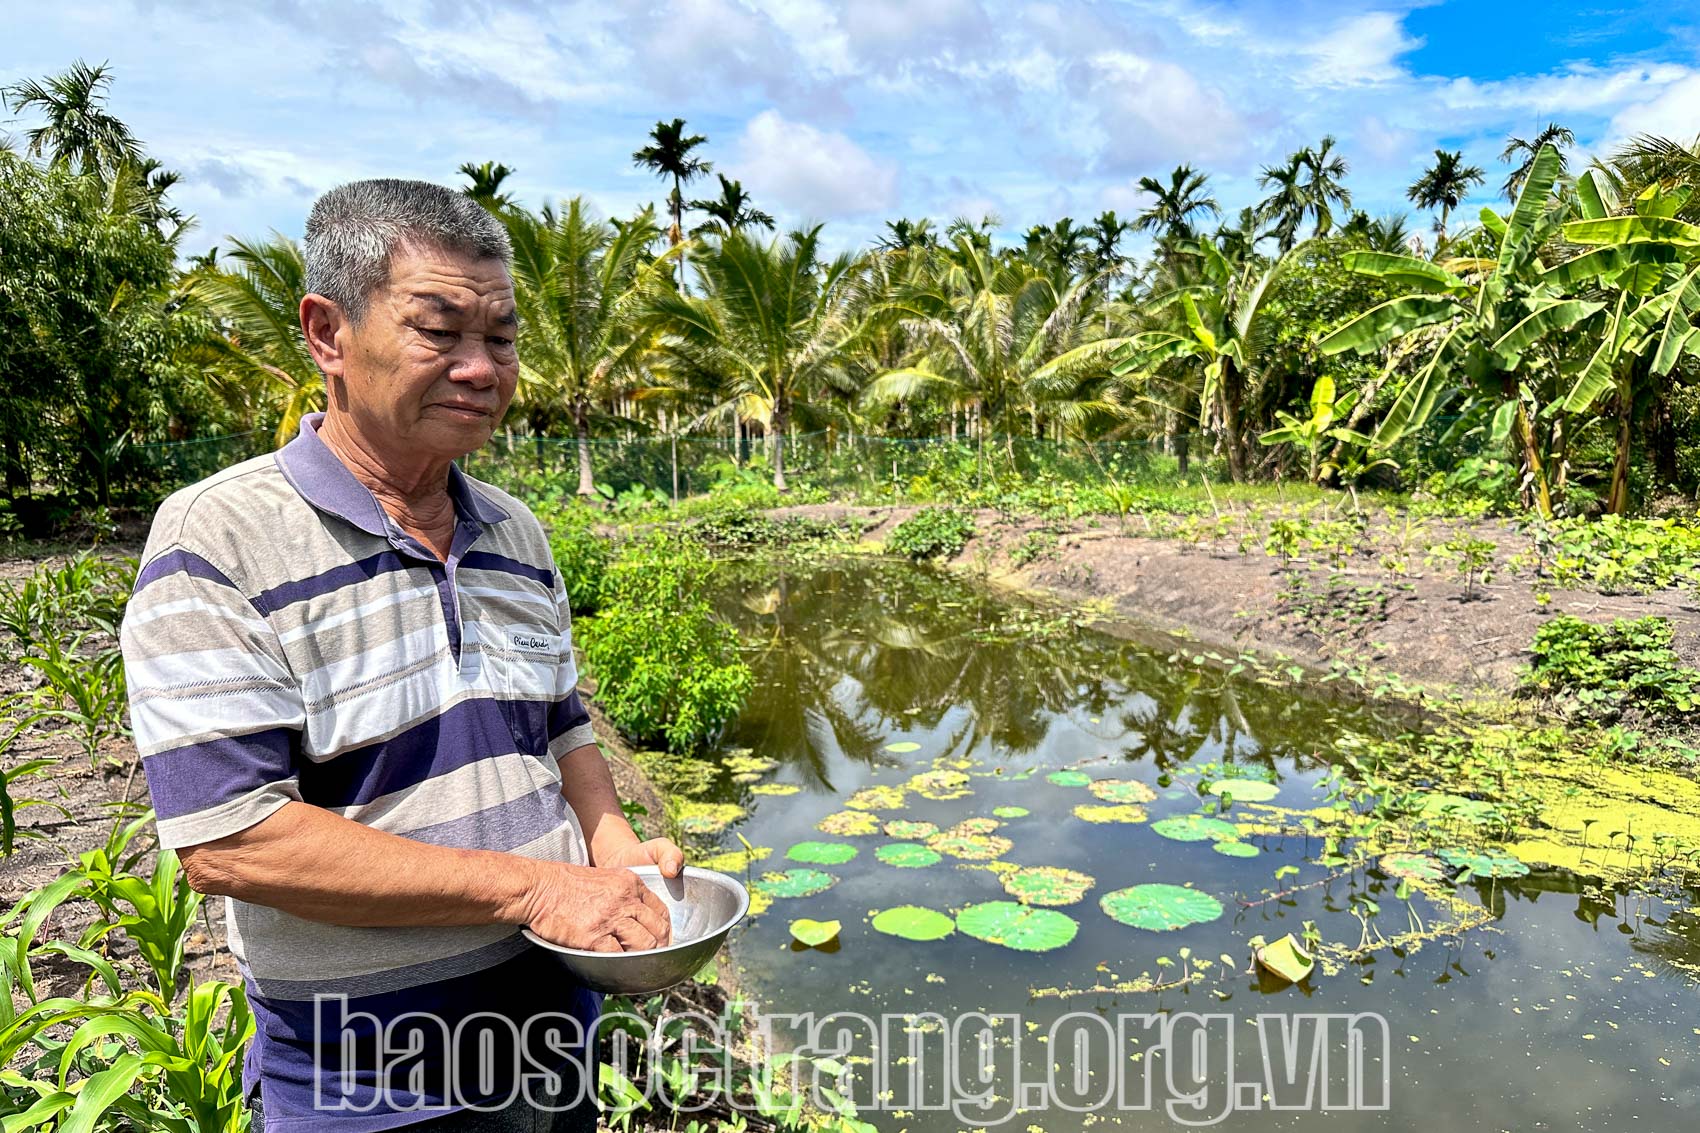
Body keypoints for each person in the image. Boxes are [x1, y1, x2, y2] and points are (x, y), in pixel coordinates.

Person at [120, 178, 686, 1132]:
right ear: (326, 333)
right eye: (440, 331)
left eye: (501, 338)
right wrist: (540, 887)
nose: (481, 367)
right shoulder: (220, 538)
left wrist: (612, 845)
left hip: (554, 1040)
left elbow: (561, 723)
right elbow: (232, 838)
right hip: (371, 1082)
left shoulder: (516, 532)